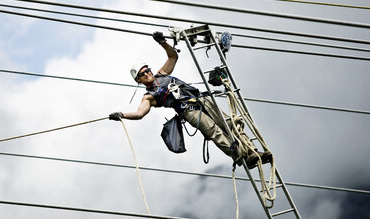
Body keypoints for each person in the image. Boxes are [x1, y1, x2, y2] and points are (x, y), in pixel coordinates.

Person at [109, 32, 271, 168]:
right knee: (214, 131)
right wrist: (122, 114)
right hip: (189, 110)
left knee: (228, 123)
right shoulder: (149, 97)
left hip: (201, 99)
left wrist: (163, 42)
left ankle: (253, 151)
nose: (146, 74)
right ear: (139, 81)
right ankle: (241, 156)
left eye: (147, 70)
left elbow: (173, 56)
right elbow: (139, 114)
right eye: (142, 74)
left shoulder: (162, 74)